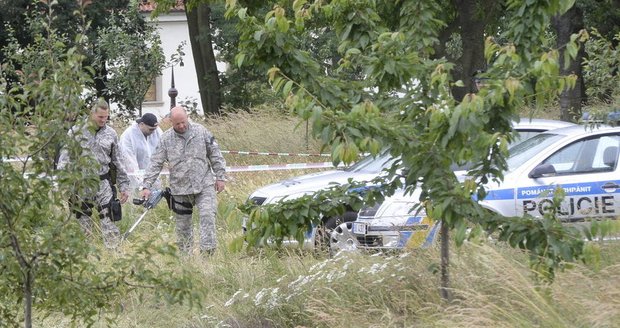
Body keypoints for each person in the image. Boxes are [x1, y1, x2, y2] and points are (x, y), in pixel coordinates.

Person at [140, 106, 226, 254]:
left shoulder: (201, 131)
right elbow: (155, 163)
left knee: (207, 215)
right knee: (183, 226)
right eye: (177, 124)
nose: (181, 126)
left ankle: (208, 253)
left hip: (204, 183)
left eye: (183, 122)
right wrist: (146, 185)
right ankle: (186, 258)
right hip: (180, 188)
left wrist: (220, 177)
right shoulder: (166, 139)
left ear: (187, 117)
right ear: (171, 122)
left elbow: (215, 154)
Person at [58, 99, 130, 248]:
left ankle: (113, 256)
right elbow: (64, 160)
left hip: (103, 183)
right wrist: (64, 184)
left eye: (106, 117)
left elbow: (119, 162)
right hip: (81, 184)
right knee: (83, 226)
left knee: (109, 222)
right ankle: (85, 259)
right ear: (92, 114)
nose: (104, 120)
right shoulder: (76, 132)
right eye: (100, 117)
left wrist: (124, 186)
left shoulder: (111, 134)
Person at [119, 113, 163, 191]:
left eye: (154, 129)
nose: (153, 132)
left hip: (154, 176)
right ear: (142, 124)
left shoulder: (157, 131)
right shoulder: (128, 136)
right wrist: (142, 185)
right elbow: (130, 162)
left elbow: (162, 151)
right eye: (151, 129)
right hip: (135, 178)